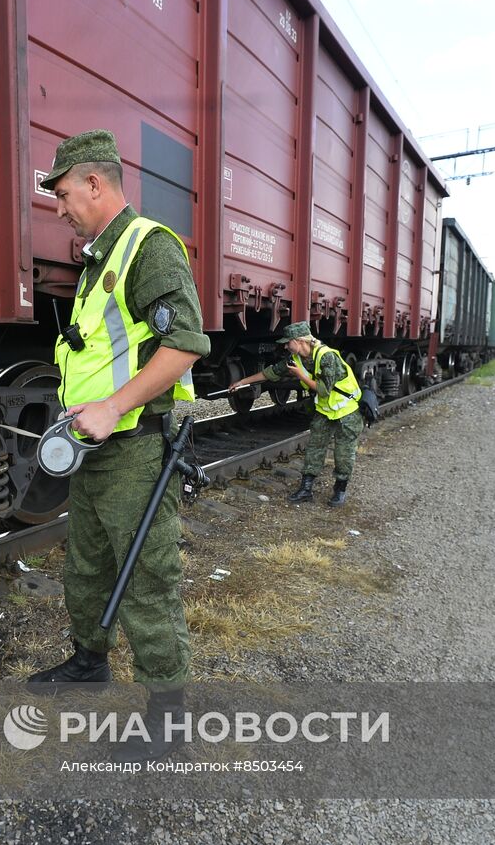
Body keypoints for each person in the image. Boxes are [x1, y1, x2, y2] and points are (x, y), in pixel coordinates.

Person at [27, 130, 210, 731]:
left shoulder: (148, 247)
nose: (58, 206)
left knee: (146, 575)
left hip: (134, 447)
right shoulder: (97, 259)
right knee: (87, 566)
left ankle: (167, 712)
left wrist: (111, 408)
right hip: (92, 447)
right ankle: (88, 663)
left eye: (61, 192)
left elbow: (184, 345)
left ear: (95, 183)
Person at [227, 321, 363, 506]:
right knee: (314, 449)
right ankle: (306, 489)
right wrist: (242, 382)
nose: (285, 346)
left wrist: (300, 375)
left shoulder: (327, 357)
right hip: (325, 411)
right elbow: (271, 373)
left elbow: (324, 391)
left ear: (299, 341)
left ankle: (340, 490)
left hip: (347, 412)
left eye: (287, 342)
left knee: (343, 454)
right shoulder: (296, 359)